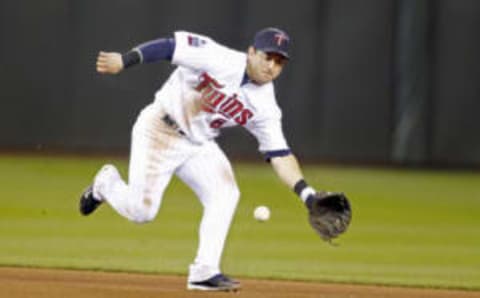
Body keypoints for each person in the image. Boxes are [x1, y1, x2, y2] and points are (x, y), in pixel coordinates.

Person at [80, 27, 332, 291]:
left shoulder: (266, 107)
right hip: (160, 128)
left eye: (279, 62)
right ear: (251, 52)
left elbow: (280, 156)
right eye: (267, 57)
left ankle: (204, 271)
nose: (272, 66)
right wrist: (125, 59)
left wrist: (308, 196)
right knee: (142, 212)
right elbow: (169, 47)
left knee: (226, 194)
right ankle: (106, 183)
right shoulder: (217, 58)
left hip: (199, 143)